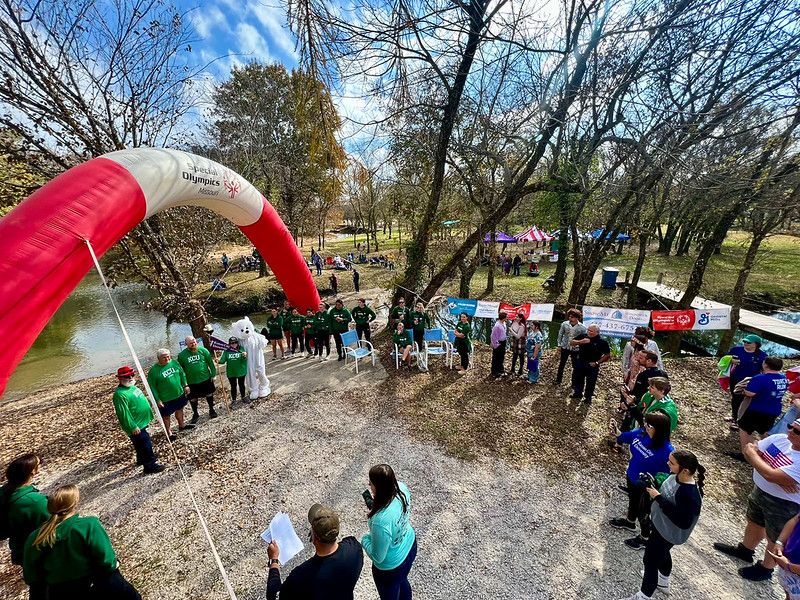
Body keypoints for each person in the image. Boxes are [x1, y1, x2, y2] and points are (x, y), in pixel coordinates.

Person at [714, 418, 800, 582]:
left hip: (785, 504)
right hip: (760, 491)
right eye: (791, 426)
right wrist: (772, 473)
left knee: (775, 537)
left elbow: (768, 472)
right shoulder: (781, 439)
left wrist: (764, 466)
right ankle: (745, 550)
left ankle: (766, 568)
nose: (790, 430)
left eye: (796, 431)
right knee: (754, 521)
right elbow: (749, 449)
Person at [23, 485, 141, 599]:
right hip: (93, 583)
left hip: (59, 592)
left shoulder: (34, 538)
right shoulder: (88, 525)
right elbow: (107, 561)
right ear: (74, 504)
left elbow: (31, 576)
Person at [619, 450, 704, 600]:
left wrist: (658, 498)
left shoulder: (689, 495)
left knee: (650, 561)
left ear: (685, 470)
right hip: (660, 527)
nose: (667, 464)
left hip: (668, 533)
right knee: (663, 553)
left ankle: (644, 596)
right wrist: (652, 485)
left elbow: (683, 521)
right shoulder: (677, 477)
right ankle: (663, 581)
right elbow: (667, 492)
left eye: (671, 463)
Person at [266, 504, 363, 600]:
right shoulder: (355, 549)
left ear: (313, 537)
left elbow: (274, 595)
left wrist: (274, 560)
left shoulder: (301, 575)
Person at [609, 412, 674, 550]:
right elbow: (626, 436)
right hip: (632, 476)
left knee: (643, 512)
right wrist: (617, 432)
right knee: (632, 501)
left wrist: (655, 485)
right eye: (645, 423)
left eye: (649, 424)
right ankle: (629, 522)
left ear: (658, 429)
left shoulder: (667, 450)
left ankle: (645, 537)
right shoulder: (641, 433)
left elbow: (669, 474)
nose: (645, 426)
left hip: (647, 487)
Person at [362, 464, 416, 600]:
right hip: (410, 546)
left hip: (391, 568)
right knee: (403, 582)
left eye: (371, 484)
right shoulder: (402, 488)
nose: (369, 485)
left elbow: (378, 557)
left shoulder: (380, 521)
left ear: (379, 488)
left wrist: (365, 540)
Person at [111, 366, 164, 474]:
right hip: (136, 425)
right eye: (127, 376)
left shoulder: (132, 386)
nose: (130, 378)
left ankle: (141, 459)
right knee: (145, 444)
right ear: (120, 378)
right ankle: (150, 466)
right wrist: (132, 426)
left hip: (142, 422)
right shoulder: (120, 394)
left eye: (132, 375)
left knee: (139, 444)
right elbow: (123, 413)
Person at [0, 454, 49, 569]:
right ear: (32, 471)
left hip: (20, 551)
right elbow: (54, 524)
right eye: (39, 463)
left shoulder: (3, 493)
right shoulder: (35, 502)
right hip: (40, 553)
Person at [738, 356, 789, 449]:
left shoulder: (760, 378)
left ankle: (747, 452)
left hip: (757, 409)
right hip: (774, 410)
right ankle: (769, 452)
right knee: (763, 431)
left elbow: (750, 393)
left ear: (765, 365)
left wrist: (743, 390)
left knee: (744, 429)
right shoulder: (784, 378)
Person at [146, 348, 193, 441]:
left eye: (168, 356)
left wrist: (185, 385)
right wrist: (157, 400)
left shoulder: (174, 363)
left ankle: (181, 425)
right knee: (166, 416)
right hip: (165, 398)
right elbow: (152, 387)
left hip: (179, 393)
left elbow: (182, 374)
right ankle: (169, 433)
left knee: (180, 409)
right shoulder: (154, 371)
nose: (167, 358)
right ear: (158, 358)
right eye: (164, 357)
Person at [725, 334, 767, 430]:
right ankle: (735, 416)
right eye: (744, 342)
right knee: (735, 398)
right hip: (735, 379)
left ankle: (738, 420)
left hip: (750, 382)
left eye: (748, 342)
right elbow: (723, 360)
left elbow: (765, 370)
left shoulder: (762, 356)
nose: (745, 344)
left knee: (743, 400)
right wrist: (730, 360)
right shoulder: (735, 350)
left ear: (756, 344)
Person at [620, 351, 668, 430]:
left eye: (642, 358)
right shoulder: (663, 374)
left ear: (649, 361)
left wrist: (627, 398)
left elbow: (636, 392)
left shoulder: (643, 375)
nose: (639, 360)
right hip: (655, 405)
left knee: (630, 421)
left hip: (640, 404)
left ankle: (622, 439)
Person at [177, 335, 218, 422]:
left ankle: (211, 409)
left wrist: (214, 375)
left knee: (209, 394)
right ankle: (195, 413)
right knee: (193, 398)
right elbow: (181, 371)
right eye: (191, 343)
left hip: (205, 378)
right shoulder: (181, 355)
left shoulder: (203, 350)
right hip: (191, 381)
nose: (193, 344)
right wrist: (184, 384)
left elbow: (210, 363)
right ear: (186, 344)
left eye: (194, 342)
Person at [570, 324, 611, 403]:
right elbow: (571, 342)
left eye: (591, 331)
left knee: (591, 382)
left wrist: (597, 362)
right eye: (588, 330)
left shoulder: (602, 342)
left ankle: (588, 397)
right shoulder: (583, 336)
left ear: (597, 332)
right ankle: (578, 393)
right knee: (578, 379)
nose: (589, 332)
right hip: (580, 362)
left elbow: (607, 355)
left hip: (592, 365)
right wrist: (580, 342)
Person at [555, 308, 587, 385]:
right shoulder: (564, 324)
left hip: (575, 349)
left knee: (575, 366)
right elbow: (560, 334)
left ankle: (574, 383)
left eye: (572, 317)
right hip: (565, 347)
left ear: (577, 318)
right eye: (569, 316)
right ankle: (558, 380)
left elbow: (584, 339)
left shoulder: (582, 327)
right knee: (562, 364)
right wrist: (559, 345)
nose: (570, 318)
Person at [773, 513, 800, 599]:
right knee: (789, 592)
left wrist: (788, 566)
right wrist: (780, 542)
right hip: (789, 562)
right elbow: (795, 519)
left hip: (791, 567)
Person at [219, 337, 248, 403]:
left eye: (235, 342)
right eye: (232, 343)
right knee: (233, 386)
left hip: (241, 371)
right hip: (231, 372)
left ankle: (243, 397)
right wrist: (218, 361)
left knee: (241, 385)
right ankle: (234, 400)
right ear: (229, 344)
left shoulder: (241, 348)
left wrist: (244, 356)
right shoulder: (226, 350)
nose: (234, 344)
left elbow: (244, 360)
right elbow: (223, 360)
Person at [490, 312, 509, 379]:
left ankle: (500, 369)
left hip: (503, 342)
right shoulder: (497, 326)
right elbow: (493, 336)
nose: (508, 318)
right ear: (503, 318)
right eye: (507, 317)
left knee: (501, 357)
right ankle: (494, 371)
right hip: (498, 343)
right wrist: (496, 345)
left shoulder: (504, 323)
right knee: (496, 357)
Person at [509, 313, 528, 378]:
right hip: (515, 342)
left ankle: (520, 370)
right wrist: (512, 329)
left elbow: (518, 336)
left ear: (520, 318)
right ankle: (512, 369)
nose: (516, 318)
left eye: (517, 317)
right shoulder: (515, 323)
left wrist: (511, 330)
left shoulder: (522, 326)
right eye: (516, 316)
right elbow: (511, 332)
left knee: (521, 356)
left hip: (520, 342)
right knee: (514, 355)